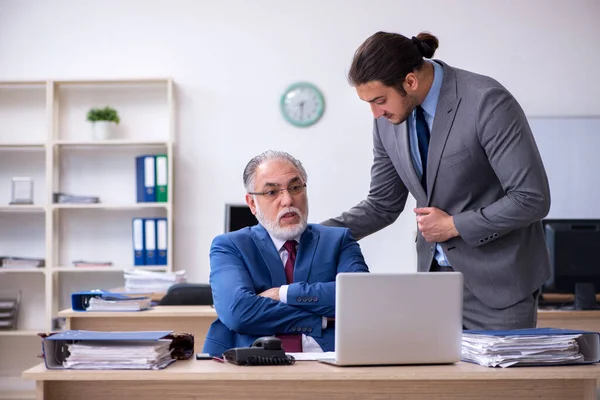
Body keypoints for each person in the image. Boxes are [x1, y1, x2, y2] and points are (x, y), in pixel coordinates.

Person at [321, 31, 551, 330]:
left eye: (379, 100)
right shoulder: (387, 122)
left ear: (410, 81)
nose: (376, 113)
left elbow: (531, 198)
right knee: (432, 378)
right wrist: (312, 238)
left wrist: (454, 225)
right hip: (433, 289)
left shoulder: (486, 101)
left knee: (495, 380)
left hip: (500, 288)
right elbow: (382, 206)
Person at [203, 150, 369, 356]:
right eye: (272, 192)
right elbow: (238, 312)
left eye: (295, 187)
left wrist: (282, 294)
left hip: (329, 360)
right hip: (250, 361)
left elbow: (360, 298)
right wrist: (320, 319)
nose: (288, 200)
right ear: (252, 203)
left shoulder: (338, 240)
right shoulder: (230, 245)